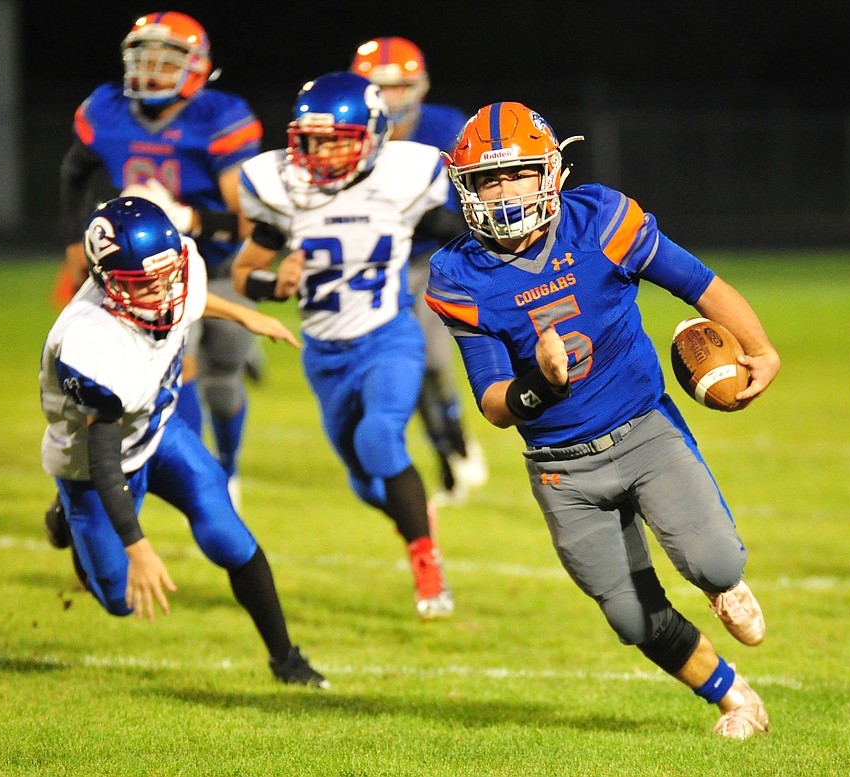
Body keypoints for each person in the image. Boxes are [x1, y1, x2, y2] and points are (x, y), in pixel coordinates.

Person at [425, 102, 781, 738]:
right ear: (468, 188)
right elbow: (494, 404)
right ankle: (735, 699)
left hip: (644, 429)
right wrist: (540, 382)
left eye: (517, 174)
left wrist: (758, 347)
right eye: (489, 179)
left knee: (718, 562)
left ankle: (719, 583)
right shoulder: (460, 274)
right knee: (631, 619)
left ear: (552, 174)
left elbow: (698, 283)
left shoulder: (600, 221)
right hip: (562, 468)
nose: (503, 191)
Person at [40, 196, 327, 688]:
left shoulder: (173, 268)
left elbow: (190, 292)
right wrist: (140, 548)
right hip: (92, 468)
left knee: (229, 536)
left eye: (164, 277)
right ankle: (66, 514)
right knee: (119, 600)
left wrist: (244, 316)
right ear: (106, 282)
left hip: (160, 428)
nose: (159, 293)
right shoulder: (91, 343)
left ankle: (287, 659)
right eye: (141, 285)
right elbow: (105, 459)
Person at [231, 72, 466, 621]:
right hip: (325, 355)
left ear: (372, 135)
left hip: (389, 336)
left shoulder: (402, 177)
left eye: (337, 137)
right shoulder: (285, 190)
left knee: (380, 433)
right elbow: (244, 274)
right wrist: (276, 285)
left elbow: (451, 224)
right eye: (312, 138)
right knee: (364, 482)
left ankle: (427, 566)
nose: (321, 150)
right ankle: (415, 516)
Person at [55, 10, 262, 507]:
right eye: (142, 58)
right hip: (151, 271)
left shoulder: (218, 118)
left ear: (195, 68)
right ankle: (193, 478)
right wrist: (73, 237)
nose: (149, 71)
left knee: (223, 383)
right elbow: (74, 169)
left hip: (219, 264)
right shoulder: (106, 110)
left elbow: (248, 222)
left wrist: (189, 219)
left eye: (164, 62)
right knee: (176, 364)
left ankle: (227, 465)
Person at [350, 37, 487, 505]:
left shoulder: (446, 127)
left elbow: (469, 203)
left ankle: (453, 436)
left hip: (431, 257)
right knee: (387, 371)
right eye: (379, 87)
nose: (390, 98)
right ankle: (443, 459)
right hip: (367, 262)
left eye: (400, 86)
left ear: (420, 86)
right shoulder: (346, 129)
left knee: (429, 362)